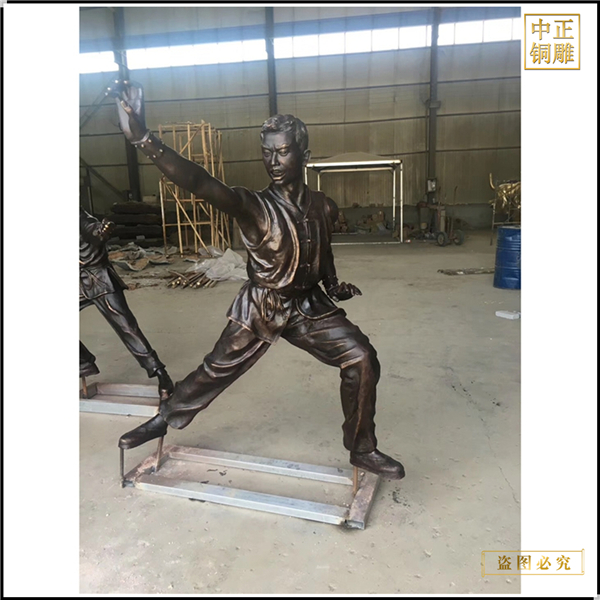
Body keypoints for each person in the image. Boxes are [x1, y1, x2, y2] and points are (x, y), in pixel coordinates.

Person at [110, 80, 405, 479]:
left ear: (304, 155)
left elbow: (323, 249)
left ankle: (362, 448)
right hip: (263, 306)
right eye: (267, 153)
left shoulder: (324, 205)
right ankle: (165, 417)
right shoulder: (253, 206)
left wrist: (333, 284)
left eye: (283, 152)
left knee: (362, 358)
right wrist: (144, 139)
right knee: (215, 369)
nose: (274, 161)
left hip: (309, 305)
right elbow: (199, 182)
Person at [79, 206, 174, 401]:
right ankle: (83, 362)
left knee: (127, 327)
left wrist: (102, 231)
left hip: (99, 278)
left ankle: (160, 373)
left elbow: (91, 229)